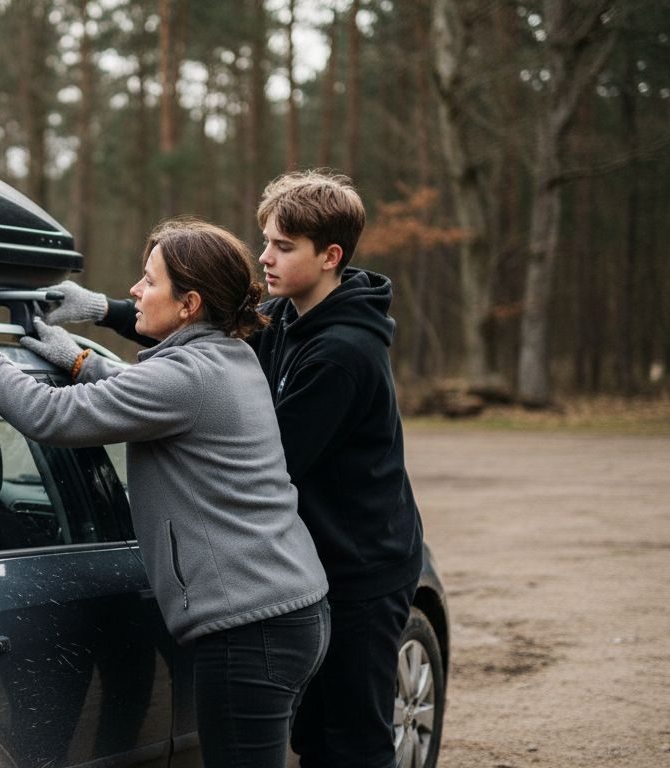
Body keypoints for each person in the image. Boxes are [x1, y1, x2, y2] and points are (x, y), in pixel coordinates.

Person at [0, 218, 330, 768]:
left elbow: (47, 415)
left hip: (251, 628)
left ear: (189, 304)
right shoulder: (228, 354)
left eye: (149, 282)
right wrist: (84, 364)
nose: (133, 291)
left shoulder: (188, 377)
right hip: (289, 606)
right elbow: (151, 394)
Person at [47, 171, 424, 768]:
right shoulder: (288, 316)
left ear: (330, 257)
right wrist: (103, 310)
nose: (264, 258)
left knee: (352, 740)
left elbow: (264, 447)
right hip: (308, 562)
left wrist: (131, 393)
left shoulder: (343, 353)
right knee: (315, 739)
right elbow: (208, 332)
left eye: (283, 246)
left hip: (360, 570)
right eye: (265, 240)